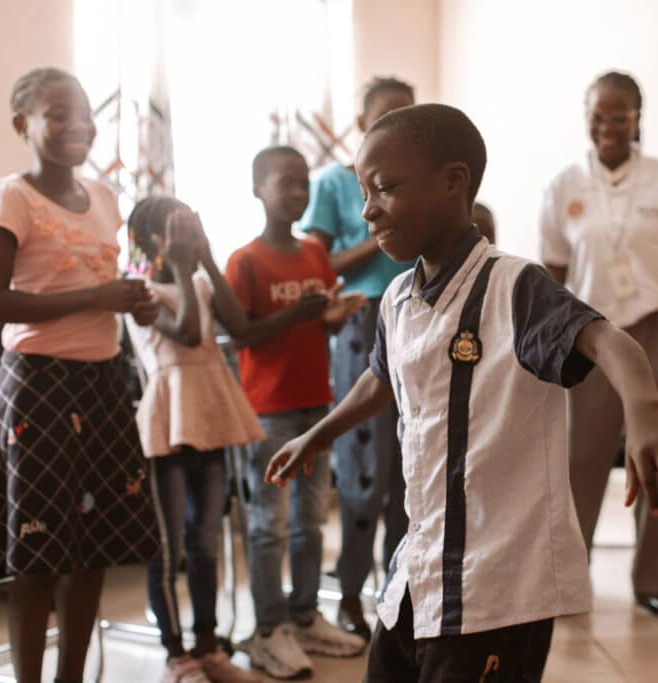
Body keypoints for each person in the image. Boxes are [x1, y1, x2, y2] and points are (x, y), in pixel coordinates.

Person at [264, 103, 658, 682]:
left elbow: (608, 341)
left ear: (453, 183)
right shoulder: (398, 297)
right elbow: (380, 379)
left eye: (386, 189)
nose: (368, 209)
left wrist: (647, 410)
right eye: (364, 192)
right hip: (417, 573)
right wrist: (317, 434)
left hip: (497, 590)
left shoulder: (514, 286)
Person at [0, 67, 160, 683]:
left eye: (86, 114)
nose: (78, 127)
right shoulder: (7, 196)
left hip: (101, 382)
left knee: (94, 547)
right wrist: (100, 295)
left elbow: (107, 292)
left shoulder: (105, 198)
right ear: (24, 125)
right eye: (58, 115)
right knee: (38, 553)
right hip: (37, 385)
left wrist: (133, 300)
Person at [539, 70, 658, 618]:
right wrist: (535, 331)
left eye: (618, 115)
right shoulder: (563, 186)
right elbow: (552, 270)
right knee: (581, 460)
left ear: (637, 117)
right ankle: (567, 582)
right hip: (588, 336)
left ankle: (653, 581)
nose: (607, 126)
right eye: (597, 115)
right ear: (587, 117)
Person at [224, 145, 367, 679]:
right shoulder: (245, 261)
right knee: (269, 524)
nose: (298, 192)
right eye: (285, 182)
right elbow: (241, 334)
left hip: (316, 402)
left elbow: (319, 324)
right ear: (257, 188)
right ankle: (268, 630)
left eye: (304, 183)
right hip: (268, 410)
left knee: (311, 519)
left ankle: (305, 616)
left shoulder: (314, 253)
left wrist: (331, 316)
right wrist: (297, 313)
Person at [126, 197, 269, 683]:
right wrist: (185, 269)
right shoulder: (138, 290)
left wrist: (205, 258)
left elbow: (241, 326)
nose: (186, 234)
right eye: (177, 228)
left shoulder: (201, 279)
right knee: (168, 546)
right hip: (169, 418)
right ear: (150, 238)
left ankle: (208, 646)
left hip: (210, 412)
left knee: (206, 540)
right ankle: (175, 653)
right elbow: (187, 333)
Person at [300, 76, 415, 640]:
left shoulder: (418, 183)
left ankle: (399, 593)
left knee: (410, 472)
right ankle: (349, 591)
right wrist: (384, 226)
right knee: (362, 474)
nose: (395, 126)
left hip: (420, 318)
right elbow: (317, 266)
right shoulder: (334, 185)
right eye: (385, 116)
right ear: (360, 122)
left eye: (407, 116)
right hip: (360, 322)